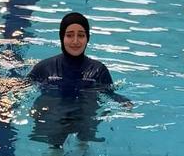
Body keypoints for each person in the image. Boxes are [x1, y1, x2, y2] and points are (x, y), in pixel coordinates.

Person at [28, 11, 131, 148]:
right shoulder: (45, 68)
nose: (75, 41)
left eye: (81, 35)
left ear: (87, 38)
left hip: (85, 115)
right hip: (55, 115)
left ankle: (82, 144)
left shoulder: (98, 70)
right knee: (54, 145)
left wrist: (122, 100)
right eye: (69, 35)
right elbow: (23, 86)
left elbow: (109, 93)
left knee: (84, 140)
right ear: (61, 37)